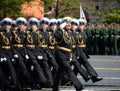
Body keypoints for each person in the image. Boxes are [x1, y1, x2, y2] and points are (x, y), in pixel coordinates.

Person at [52, 17, 84, 91]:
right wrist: (60, 28)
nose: (69, 24)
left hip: (66, 55)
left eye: (70, 23)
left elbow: (70, 46)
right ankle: (79, 86)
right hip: (60, 55)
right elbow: (54, 36)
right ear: (63, 24)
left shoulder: (69, 33)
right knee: (69, 69)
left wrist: (70, 56)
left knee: (60, 71)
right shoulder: (60, 32)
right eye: (67, 23)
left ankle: (55, 87)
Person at [76, 18, 103, 83]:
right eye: (80, 25)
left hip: (83, 51)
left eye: (82, 25)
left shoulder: (83, 33)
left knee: (77, 67)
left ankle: (69, 80)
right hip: (78, 51)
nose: (81, 26)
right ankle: (94, 76)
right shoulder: (76, 33)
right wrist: (77, 53)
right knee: (86, 64)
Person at [0, 18, 22, 91]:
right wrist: (1, 56)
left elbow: (11, 45)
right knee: (9, 69)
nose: (6, 26)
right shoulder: (0, 34)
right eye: (5, 25)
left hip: (9, 54)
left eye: (8, 25)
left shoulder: (10, 34)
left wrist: (14, 54)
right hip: (3, 54)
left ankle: (9, 85)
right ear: (2, 26)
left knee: (11, 69)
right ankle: (16, 86)